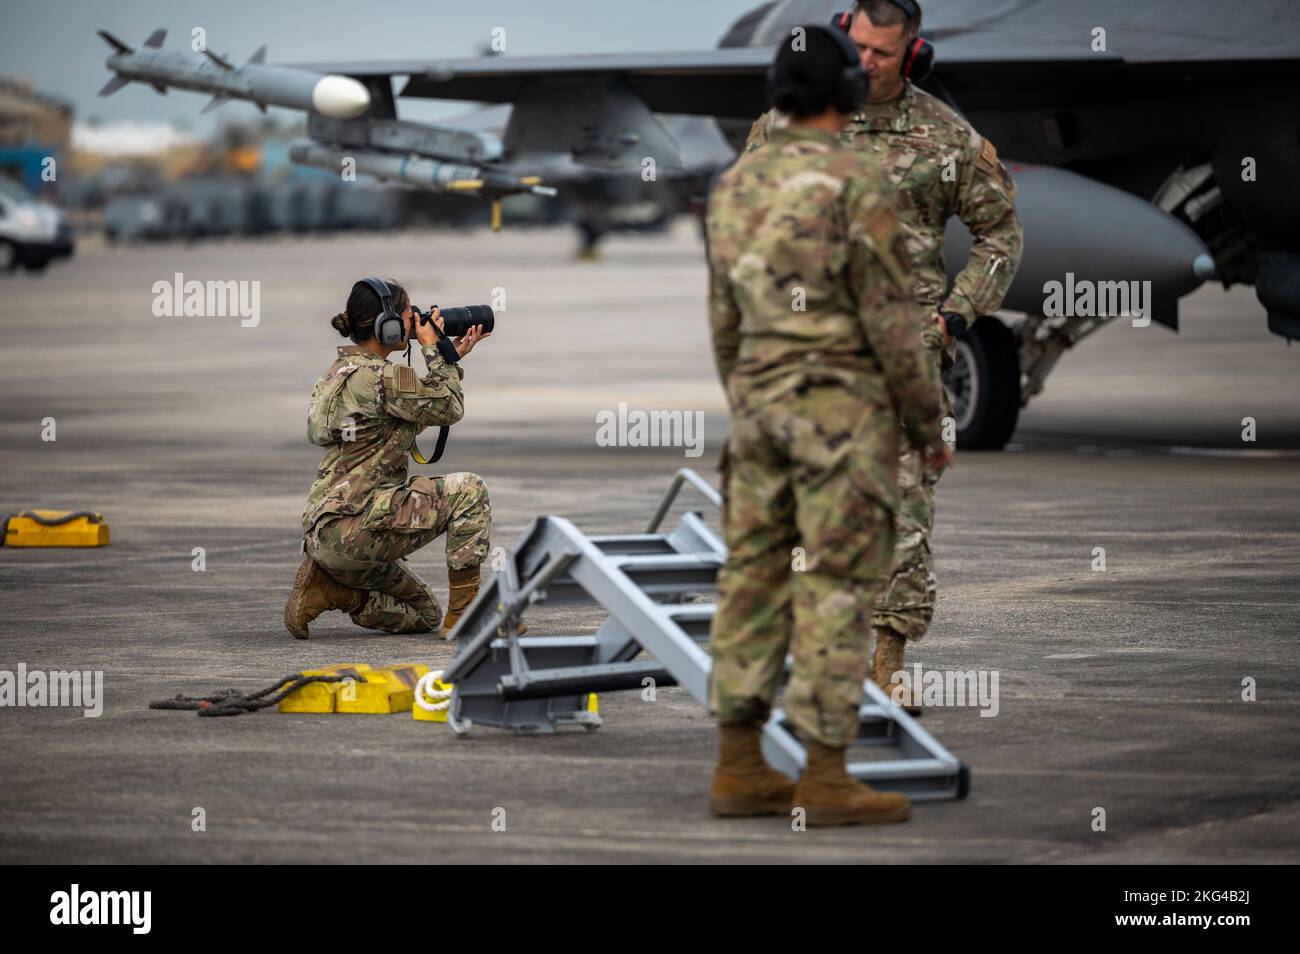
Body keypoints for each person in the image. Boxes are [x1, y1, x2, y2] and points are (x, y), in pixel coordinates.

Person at [744, 0, 1023, 707]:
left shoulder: (943, 136)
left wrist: (956, 315)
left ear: (911, 50)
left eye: (882, 54)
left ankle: (886, 669)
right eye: (857, 48)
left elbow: (1001, 233)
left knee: (902, 516)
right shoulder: (788, 124)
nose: (865, 63)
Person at [706, 24, 949, 826]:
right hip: (840, 422)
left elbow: (725, 323)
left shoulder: (734, 185)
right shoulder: (856, 182)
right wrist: (926, 423)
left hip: (759, 415)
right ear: (847, 94)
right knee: (838, 590)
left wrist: (749, 404)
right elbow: (891, 325)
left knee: (751, 581)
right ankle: (827, 774)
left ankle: (739, 766)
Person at [284, 277, 491, 640]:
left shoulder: (336, 374)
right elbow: (449, 407)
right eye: (409, 313)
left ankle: (336, 591)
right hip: (358, 530)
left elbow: (409, 414)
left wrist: (447, 356)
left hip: (325, 534)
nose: (416, 321)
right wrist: (436, 353)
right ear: (388, 325)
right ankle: (469, 614)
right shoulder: (385, 378)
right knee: (470, 491)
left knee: (423, 613)